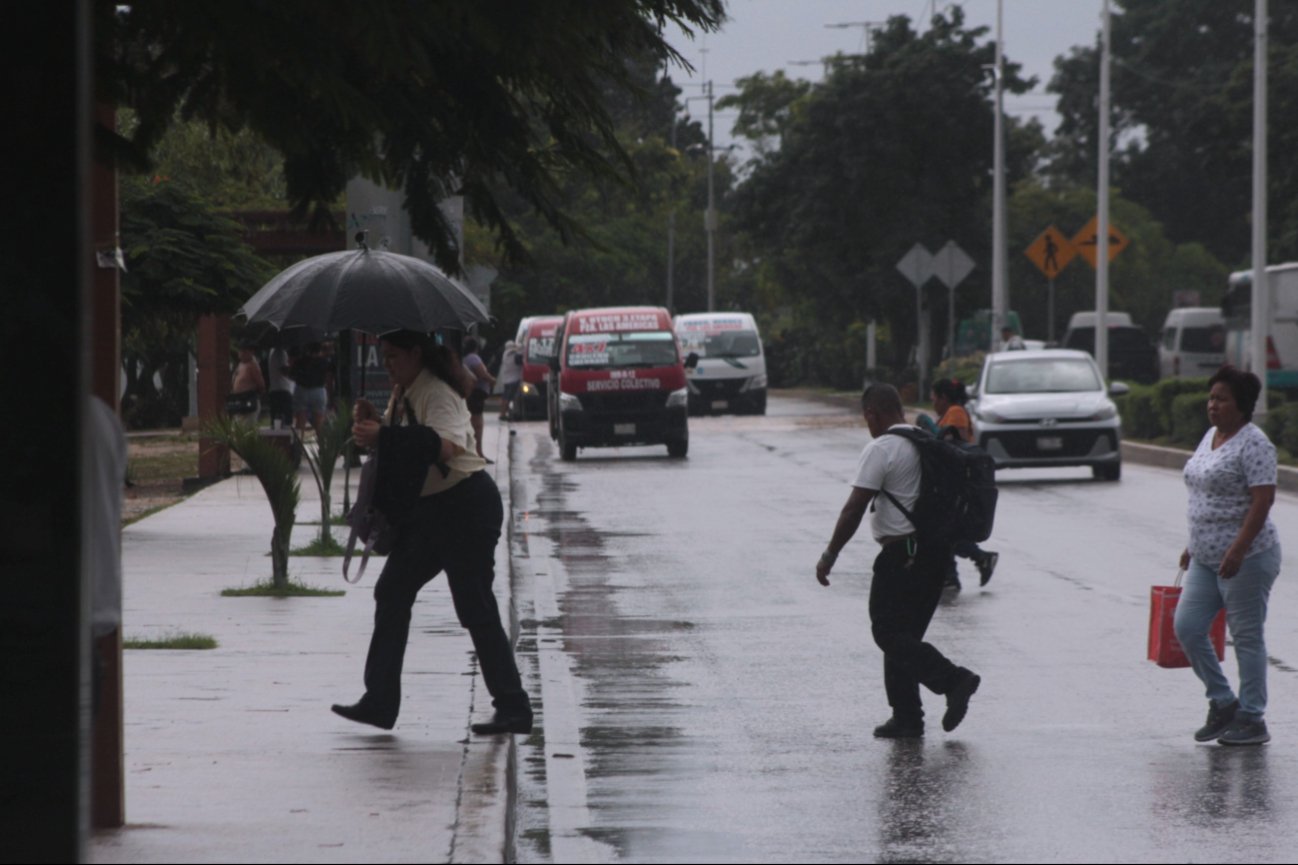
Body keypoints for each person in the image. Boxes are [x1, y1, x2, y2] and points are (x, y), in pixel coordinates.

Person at [332, 331, 532, 735]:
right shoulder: (405, 390)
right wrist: (380, 422)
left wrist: (385, 435)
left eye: (393, 356)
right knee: (391, 592)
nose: (387, 364)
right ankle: (380, 701)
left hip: (466, 507)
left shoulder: (436, 391)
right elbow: (409, 442)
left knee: (474, 604)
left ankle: (514, 707)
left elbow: (445, 447)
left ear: (415, 354)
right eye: (382, 356)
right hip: (431, 512)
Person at [815, 383, 981, 739]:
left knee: (887, 631)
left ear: (872, 414)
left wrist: (830, 554)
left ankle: (954, 680)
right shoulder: (926, 444)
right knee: (903, 638)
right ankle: (907, 717)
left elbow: (854, 508)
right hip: (937, 553)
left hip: (902, 555)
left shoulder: (883, 448)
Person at [1174, 365, 1280, 746]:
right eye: (1211, 398)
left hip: (1247, 558)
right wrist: (1192, 544)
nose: (1212, 405)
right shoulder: (1212, 436)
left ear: (1242, 405)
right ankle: (1222, 702)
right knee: (1186, 627)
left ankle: (1252, 718)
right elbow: (1205, 494)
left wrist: (1238, 548)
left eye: (1221, 399)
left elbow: (1262, 500)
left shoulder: (1255, 444)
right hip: (1205, 557)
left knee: (1246, 637)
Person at [926, 378, 998, 590]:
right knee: (944, 529)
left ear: (944, 398)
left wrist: (930, 431)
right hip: (948, 481)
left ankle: (973, 562)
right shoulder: (949, 413)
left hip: (957, 483)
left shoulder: (956, 412)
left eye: (934, 398)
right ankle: (954, 574)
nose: (933, 403)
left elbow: (953, 444)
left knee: (943, 530)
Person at [284, 342, 330, 436]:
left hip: (302, 390)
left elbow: (292, 375)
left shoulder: (300, 361)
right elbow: (328, 377)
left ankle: (298, 448)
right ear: (319, 350)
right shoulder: (324, 362)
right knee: (319, 424)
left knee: (300, 423)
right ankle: (322, 448)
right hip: (319, 391)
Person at [461, 336, 496, 460]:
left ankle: (475, 452)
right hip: (476, 395)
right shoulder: (473, 358)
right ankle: (478, 453)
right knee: (477, 425)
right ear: (476, 347)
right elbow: (481, 374)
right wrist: (492, 380)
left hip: (473, 395)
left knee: (474, 423)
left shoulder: (464, 359)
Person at [266, 346, 296, 429]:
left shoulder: (272, 351)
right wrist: (294, 366)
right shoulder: (281, 353)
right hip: (283, 389)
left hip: (275, 389)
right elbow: (284, 370)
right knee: (287, 422)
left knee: (275, 422)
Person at [497, 340, 523, 421]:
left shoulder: (505, 354)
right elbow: (519, 360)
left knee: (505, 397)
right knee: (510, 398)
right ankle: (508, 413)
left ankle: (503, 413)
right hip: (514, 379)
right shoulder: (512, 353)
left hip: (506, 379)